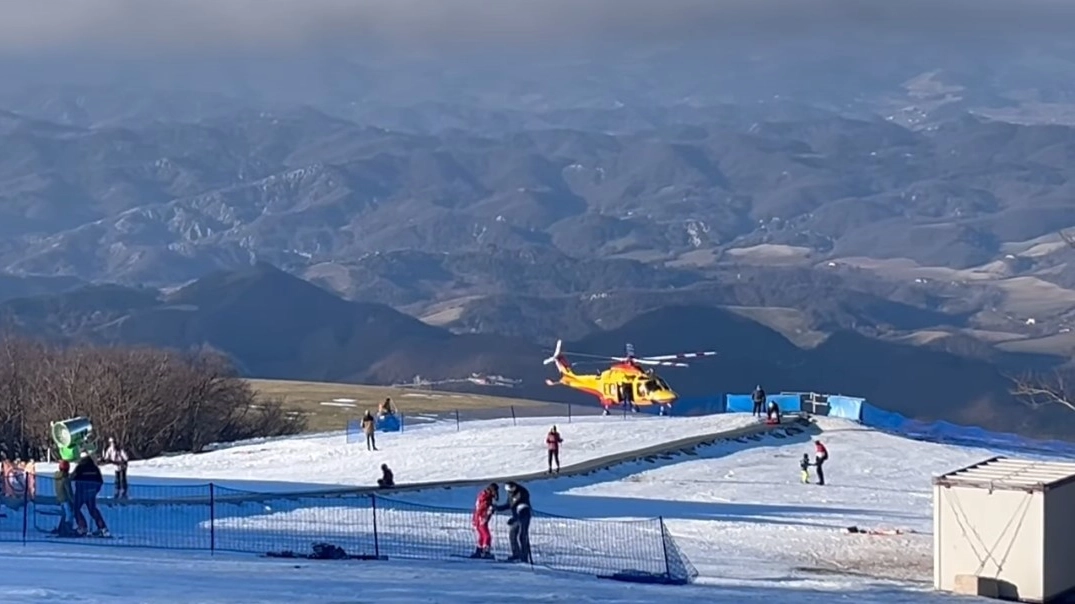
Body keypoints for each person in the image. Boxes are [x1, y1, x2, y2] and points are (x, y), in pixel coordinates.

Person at [70, 453, 109, 537]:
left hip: (81, 493)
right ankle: (103, 528)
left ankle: (82, 526)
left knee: (75, 509)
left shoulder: (80, 467)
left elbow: (72, 477)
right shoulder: (95, 468)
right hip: (91, 493)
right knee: (93, 510)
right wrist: (95, 491)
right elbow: (100, 481)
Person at [496, 481, 532, 563]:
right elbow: (509, 504)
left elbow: (519, 506)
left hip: (524, 516)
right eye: (508, 491)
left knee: (522, 536)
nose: (509, 493)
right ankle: (516, 554)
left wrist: (516, 517)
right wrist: (498, 508)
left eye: (510, 491)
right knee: (512, 535)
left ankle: (524, 557)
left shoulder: (522, 492)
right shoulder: (510, 493)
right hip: (516, 516)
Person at [470, 483, 498, 559]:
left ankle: (479, 550)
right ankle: (486, 551)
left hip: (478, 517)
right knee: (487, 535)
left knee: (482, 535)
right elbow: (482, 507)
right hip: (481, 518)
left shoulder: (484, 495)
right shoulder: (485, 497)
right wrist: (489, 509)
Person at [52, 460, 77, 536]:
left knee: (64, 514)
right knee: (69, 515)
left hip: (60, 498)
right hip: (66, 499)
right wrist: (73, 500)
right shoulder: (65, 479)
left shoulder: (58, 477)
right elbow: (68, 491)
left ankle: (61, 529)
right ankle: (66, 530)